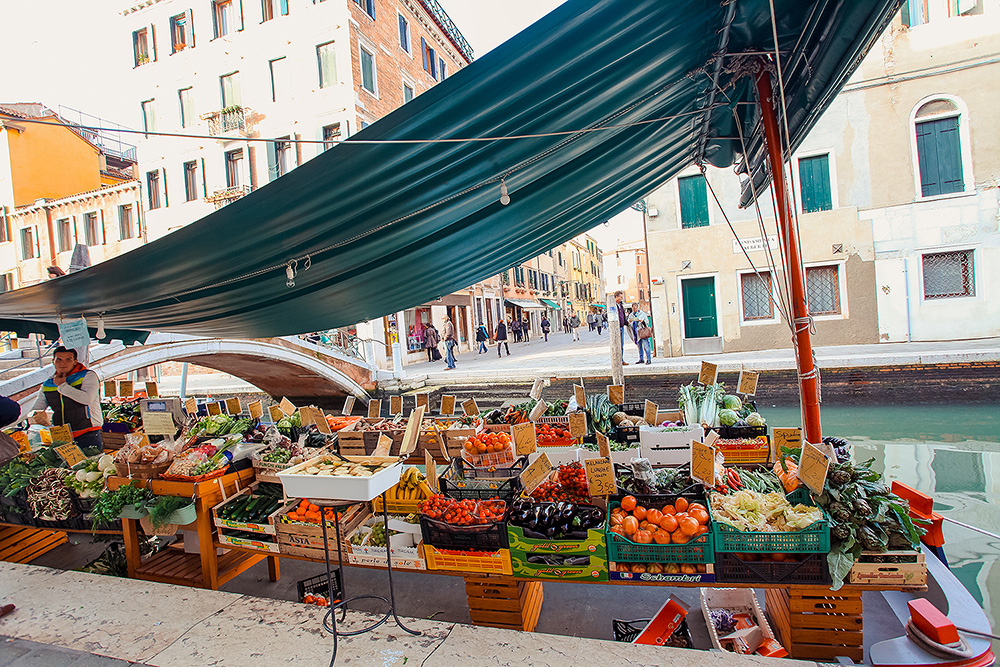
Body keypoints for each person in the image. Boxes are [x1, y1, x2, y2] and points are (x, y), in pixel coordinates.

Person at [29, 346, 104, 454]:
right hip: (62, 437)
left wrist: (62, 386)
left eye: (68, 359)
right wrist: (38, 417)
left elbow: (86, 399)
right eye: (59, 359)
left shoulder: (88, 376)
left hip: (88, 433)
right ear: (53, 362)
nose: (63, 363)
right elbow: (36, 408)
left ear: (75, 361)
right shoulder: (48, 383)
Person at [609, 291, 631, 366]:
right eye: (621, 297)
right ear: (616, 297)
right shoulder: (612, 305)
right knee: (616, 344)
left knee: (621, 345)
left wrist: (626, 322)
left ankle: (621, 360)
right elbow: (606, 315)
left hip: (621, 327)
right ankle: (617, 361)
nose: (622, 298)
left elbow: (623, 316)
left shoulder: (621, 305)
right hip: (615, 328)